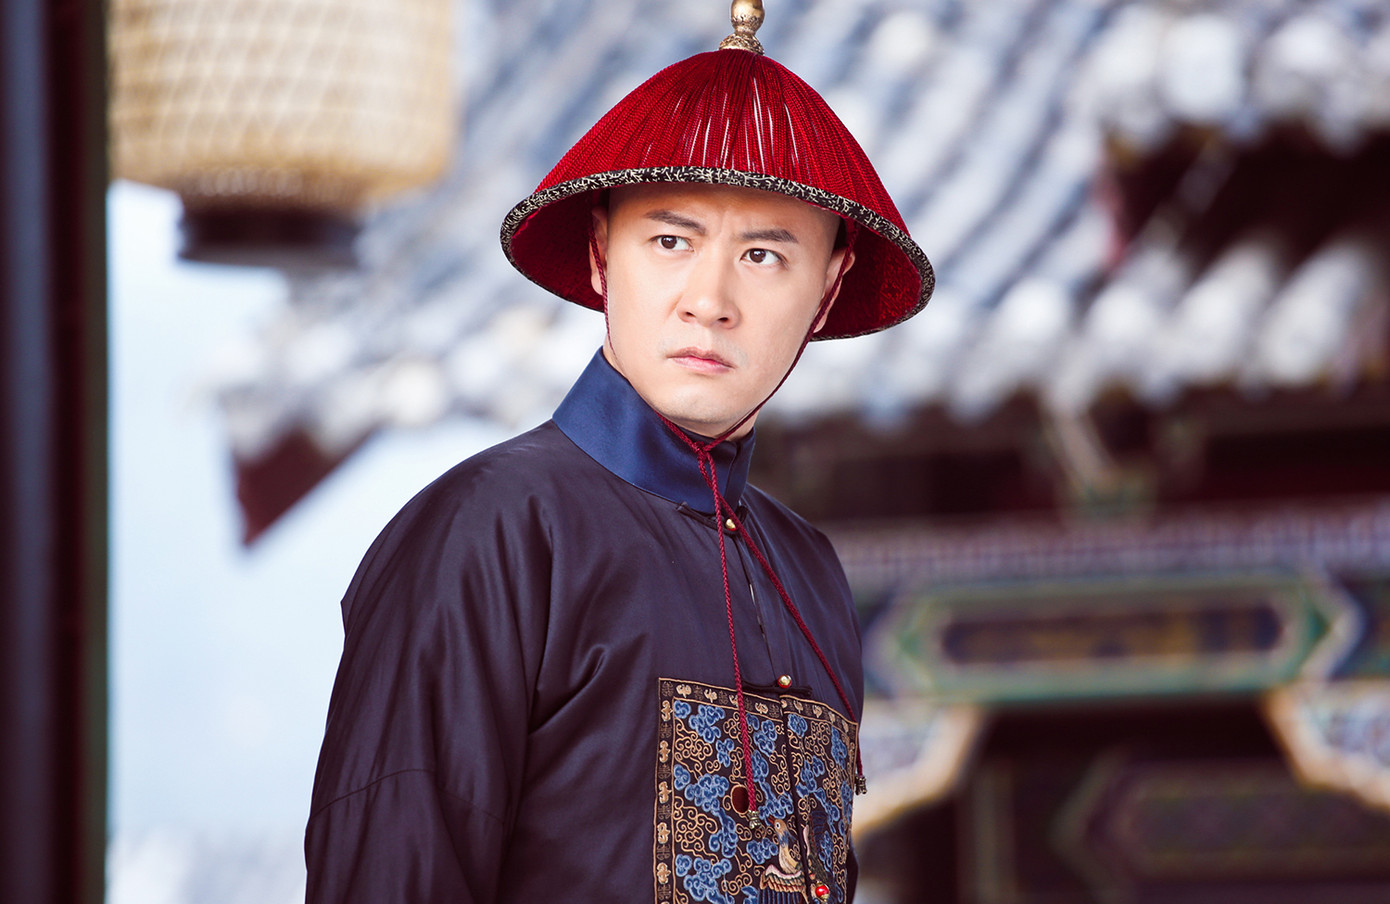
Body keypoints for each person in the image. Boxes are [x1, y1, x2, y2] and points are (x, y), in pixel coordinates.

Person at [305, 4, 933, 902]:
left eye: (764, 256)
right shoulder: (489, 532)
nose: (708, 299)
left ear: (828, 291)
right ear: (602, 255)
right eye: (671, 242)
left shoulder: (808, 570)